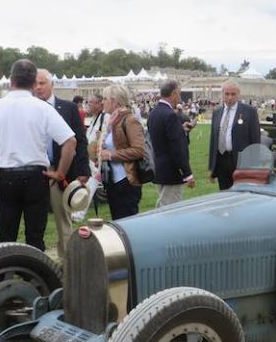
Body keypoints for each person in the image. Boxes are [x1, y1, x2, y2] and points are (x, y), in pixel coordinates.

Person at [0, 59, 76, 251]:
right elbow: (70, 141)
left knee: (6, 235)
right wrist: (60, 173)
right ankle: (35, 276)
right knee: (35, 235)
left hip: (6, 175)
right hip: (36, 176)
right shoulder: (43, 108)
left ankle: (5, 275)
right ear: (34, 83)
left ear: (11, 81)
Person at [34, 69, 89, 258]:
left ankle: (69, 262)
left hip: (61, 170)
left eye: (42, 83)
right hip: (35, 170)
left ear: (52, 84)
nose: (38, 87)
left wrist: (83, 169)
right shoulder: (29, 108)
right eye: (35, 83)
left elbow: (80, 140)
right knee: (35, 221)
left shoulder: (68, 108)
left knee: (63, 220)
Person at [99, 84, 145, 220]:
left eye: (105, 99)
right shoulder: (113, 121)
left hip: (126, 181)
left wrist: (111, 155)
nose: (103, 102)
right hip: (114, 181)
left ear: (114, 101)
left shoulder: (130, 120)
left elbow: (139, 150)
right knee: (118, 222)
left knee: (128, 224)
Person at [147, 80, 195, 207]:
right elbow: (177, 147)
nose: (179, 97)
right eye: (178, 94)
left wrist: (180, 129)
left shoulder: (154, 113)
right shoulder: (170, 115)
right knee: (170, 209)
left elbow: (161, 136)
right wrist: (187, 174)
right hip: (171, 170)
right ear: (173, 93)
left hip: (159, 167)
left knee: (163, 203)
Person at [208, 80, 260, 190]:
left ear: (238, 94)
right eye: (227, 94)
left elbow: (255, 140)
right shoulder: (217, 113)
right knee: (224, 195)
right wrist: (211, 168)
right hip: (221, 160)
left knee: (240, 196)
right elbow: (213, 141)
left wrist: (254, 167)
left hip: (240, 162)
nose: (229, 97)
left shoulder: (249, 112)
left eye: (233, 94)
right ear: (222, 94)